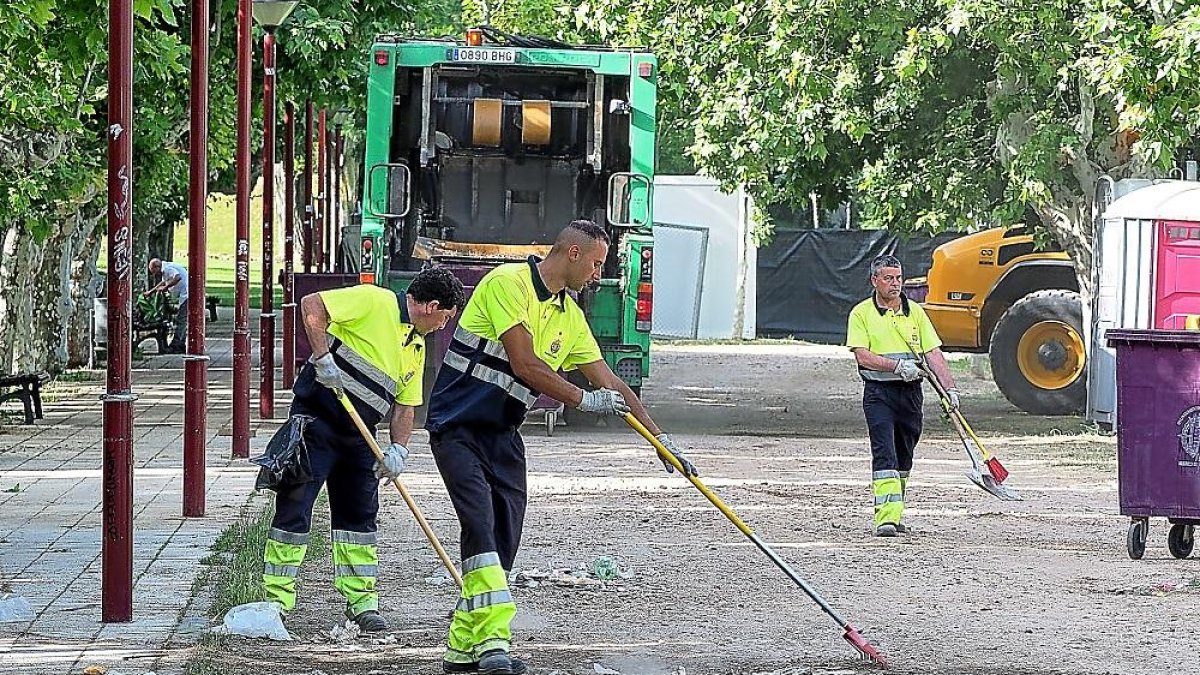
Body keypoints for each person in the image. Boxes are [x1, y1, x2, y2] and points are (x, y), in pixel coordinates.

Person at [425, 219, 698, 675]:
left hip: (504, 436)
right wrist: (582, 400)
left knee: (505, 540)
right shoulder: (507, 285)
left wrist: (658, 438)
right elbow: (525, 363)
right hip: (457, 428)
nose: (598, 274)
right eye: (595, 264)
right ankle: (494, 644)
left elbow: (610, 382)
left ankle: (461, 650)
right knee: (481, 524)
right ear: (572, 253)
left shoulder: (571, 318)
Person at [261, 268, 466, 631]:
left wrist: (398, 450)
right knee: (295, 507)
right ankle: (276, 600)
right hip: (316, 424)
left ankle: (362, 602)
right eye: (445, 319)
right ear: (432, 307)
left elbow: (405, 407)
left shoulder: (416, 346)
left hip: (360, 438)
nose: (442, 327)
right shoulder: (377, 301)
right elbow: (312, 306)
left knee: (359, 518)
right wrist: (323, 358)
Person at [846, 254, 958, 537]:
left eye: (898, 278)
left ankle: (896, 513)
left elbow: (933, 353)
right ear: (875, 281)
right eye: (888, 279)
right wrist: (896, 366)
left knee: (904, 455)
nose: (895, 284)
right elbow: (862, 355)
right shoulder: (861, 313)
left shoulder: (915, 313)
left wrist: (950, 389)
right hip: (879, 393)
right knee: (885, 452)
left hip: (910, 394)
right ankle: (885, 518)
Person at [145, 258, 188, 353]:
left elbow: (177, 277)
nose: (154, 274)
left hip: (187, 295)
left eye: (153, 271)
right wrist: (151, 291)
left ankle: (177, 345)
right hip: (184, 295)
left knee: (181, 320)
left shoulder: (167, 269)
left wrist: (166, 287)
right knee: (182, 320)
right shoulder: (165, 268)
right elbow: (163, 282)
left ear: (157, 267)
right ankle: (180, 343)